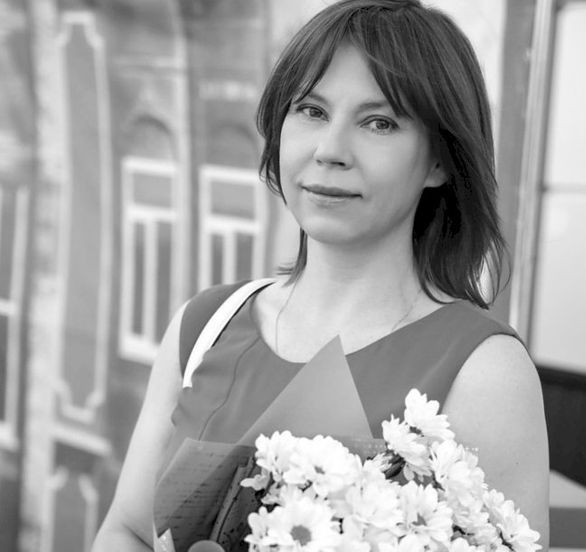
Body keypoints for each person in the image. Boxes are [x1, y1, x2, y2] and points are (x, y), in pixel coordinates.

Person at [92, 0, 550, 550]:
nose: (331, 151)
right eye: (311, 110)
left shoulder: (482, 371)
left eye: (379, 123)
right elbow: (127, 530)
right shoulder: (206, 325)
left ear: (439, 161)